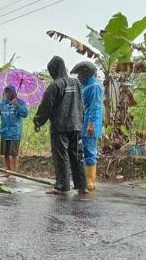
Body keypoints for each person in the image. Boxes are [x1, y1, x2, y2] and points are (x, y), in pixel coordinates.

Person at [33, 56, 87, 195]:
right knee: (77, 155)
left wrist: (38, 121)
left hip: (60, 126)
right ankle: (82, 186)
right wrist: (81, 121)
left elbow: (46, 106)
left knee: (61, 156)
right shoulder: (76, 83)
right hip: (76, 125)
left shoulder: (55, 85)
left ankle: (62, 186)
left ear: (54, 69)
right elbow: (81, 104)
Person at [71, 61, 103, 191]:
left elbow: (94, 106)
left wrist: (91, 124)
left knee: (90, 151)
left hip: (90, 125)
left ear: (86, 74)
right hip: (82, 123)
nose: (79, 77)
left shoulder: (94, 86)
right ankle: (84, 179)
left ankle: (90, 182)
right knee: (83, 151)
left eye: (80, 74)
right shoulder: (85, 86)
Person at [0, 85, 29, 176]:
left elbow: (25, 114)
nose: (7, 94)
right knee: (6, 153)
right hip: (4, 132)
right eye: (6, 92)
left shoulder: (20, 102)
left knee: (14, 154)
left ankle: (13, 173)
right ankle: (8, 171)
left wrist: (17, 105)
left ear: (13, 93)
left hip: (14, 133)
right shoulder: (2, 104)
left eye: (9, 92)